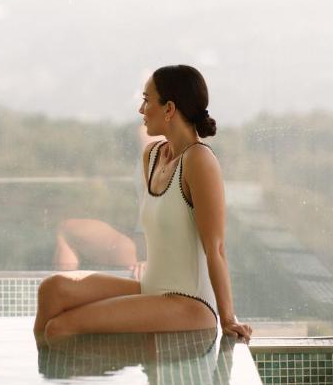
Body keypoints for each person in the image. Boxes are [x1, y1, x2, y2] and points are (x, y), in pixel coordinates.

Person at [34, 65, 253, 345]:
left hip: (191, 302)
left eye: (147, 101)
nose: (141, 109)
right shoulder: (152, 155)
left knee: (61, 328)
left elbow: (216, 247)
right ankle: (48, 371)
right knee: (52, 290)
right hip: (152, 288)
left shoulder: (199, 160)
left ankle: (83, 370)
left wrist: (228, 318)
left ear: (169, 109)